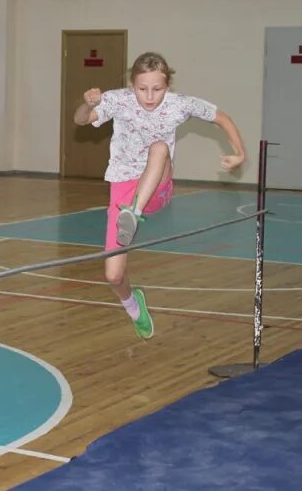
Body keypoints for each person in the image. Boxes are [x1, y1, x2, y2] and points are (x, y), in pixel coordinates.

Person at [73, 52, 246, 339]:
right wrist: (87, 103)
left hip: (157, 185)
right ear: (132, 84)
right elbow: (80, 120)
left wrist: (239, 153)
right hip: (122, 186)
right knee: (113, 275)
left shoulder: (180, 105)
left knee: (159, 148)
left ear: (168, 85)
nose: (150, 96)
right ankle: (134, 306)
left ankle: (134, 213)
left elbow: (221, 118)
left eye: (158, 89)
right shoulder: (118, 100)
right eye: (143, 89)